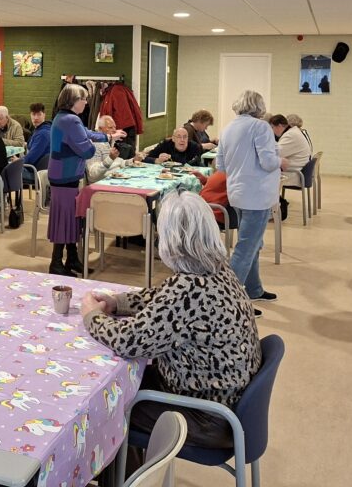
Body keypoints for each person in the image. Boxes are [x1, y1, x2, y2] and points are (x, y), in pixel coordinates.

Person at [81, 191, 260, 472]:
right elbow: (162, 297)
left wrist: (91, 316)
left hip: (207, 415)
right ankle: (130, 471)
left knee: (107, 406)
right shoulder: (216, 270)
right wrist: (119, 303)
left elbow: (129, 340)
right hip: (224, 398)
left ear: (171, 241)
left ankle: (127, 477)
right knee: (120, 384)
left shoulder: (189, 289)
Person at [216, 90, 286, 314]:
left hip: (237, 193)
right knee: (246, 248)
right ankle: (230, 301)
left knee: (253, 244)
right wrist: (281, 161)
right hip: (257, 196)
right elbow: (268, 162)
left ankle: (254, 289)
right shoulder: (261, 127)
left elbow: (221, 165)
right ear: (259, 107)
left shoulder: (228, 128)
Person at [48, 84, 95, 275]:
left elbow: (86, 133)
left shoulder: (62, 117)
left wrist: (107, 136)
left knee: (69, 218)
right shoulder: (71, 120)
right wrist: (94, 143)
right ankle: (56, 263)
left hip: (61, 175)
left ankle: (72, 258)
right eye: (83, 99)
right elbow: (87, 150)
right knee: (65, 219)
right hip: (65, 177)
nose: (86, 102)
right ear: (74, 101)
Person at [85, 115, 126, 183]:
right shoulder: (94, 145)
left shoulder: (108, 143)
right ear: (100, 129)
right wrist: (110, 158)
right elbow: (93, 175)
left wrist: (132, 161)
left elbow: (117, 162)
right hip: (102, 184)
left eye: (115, 127)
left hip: (115, 179)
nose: (114, 130)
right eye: (110, 127)